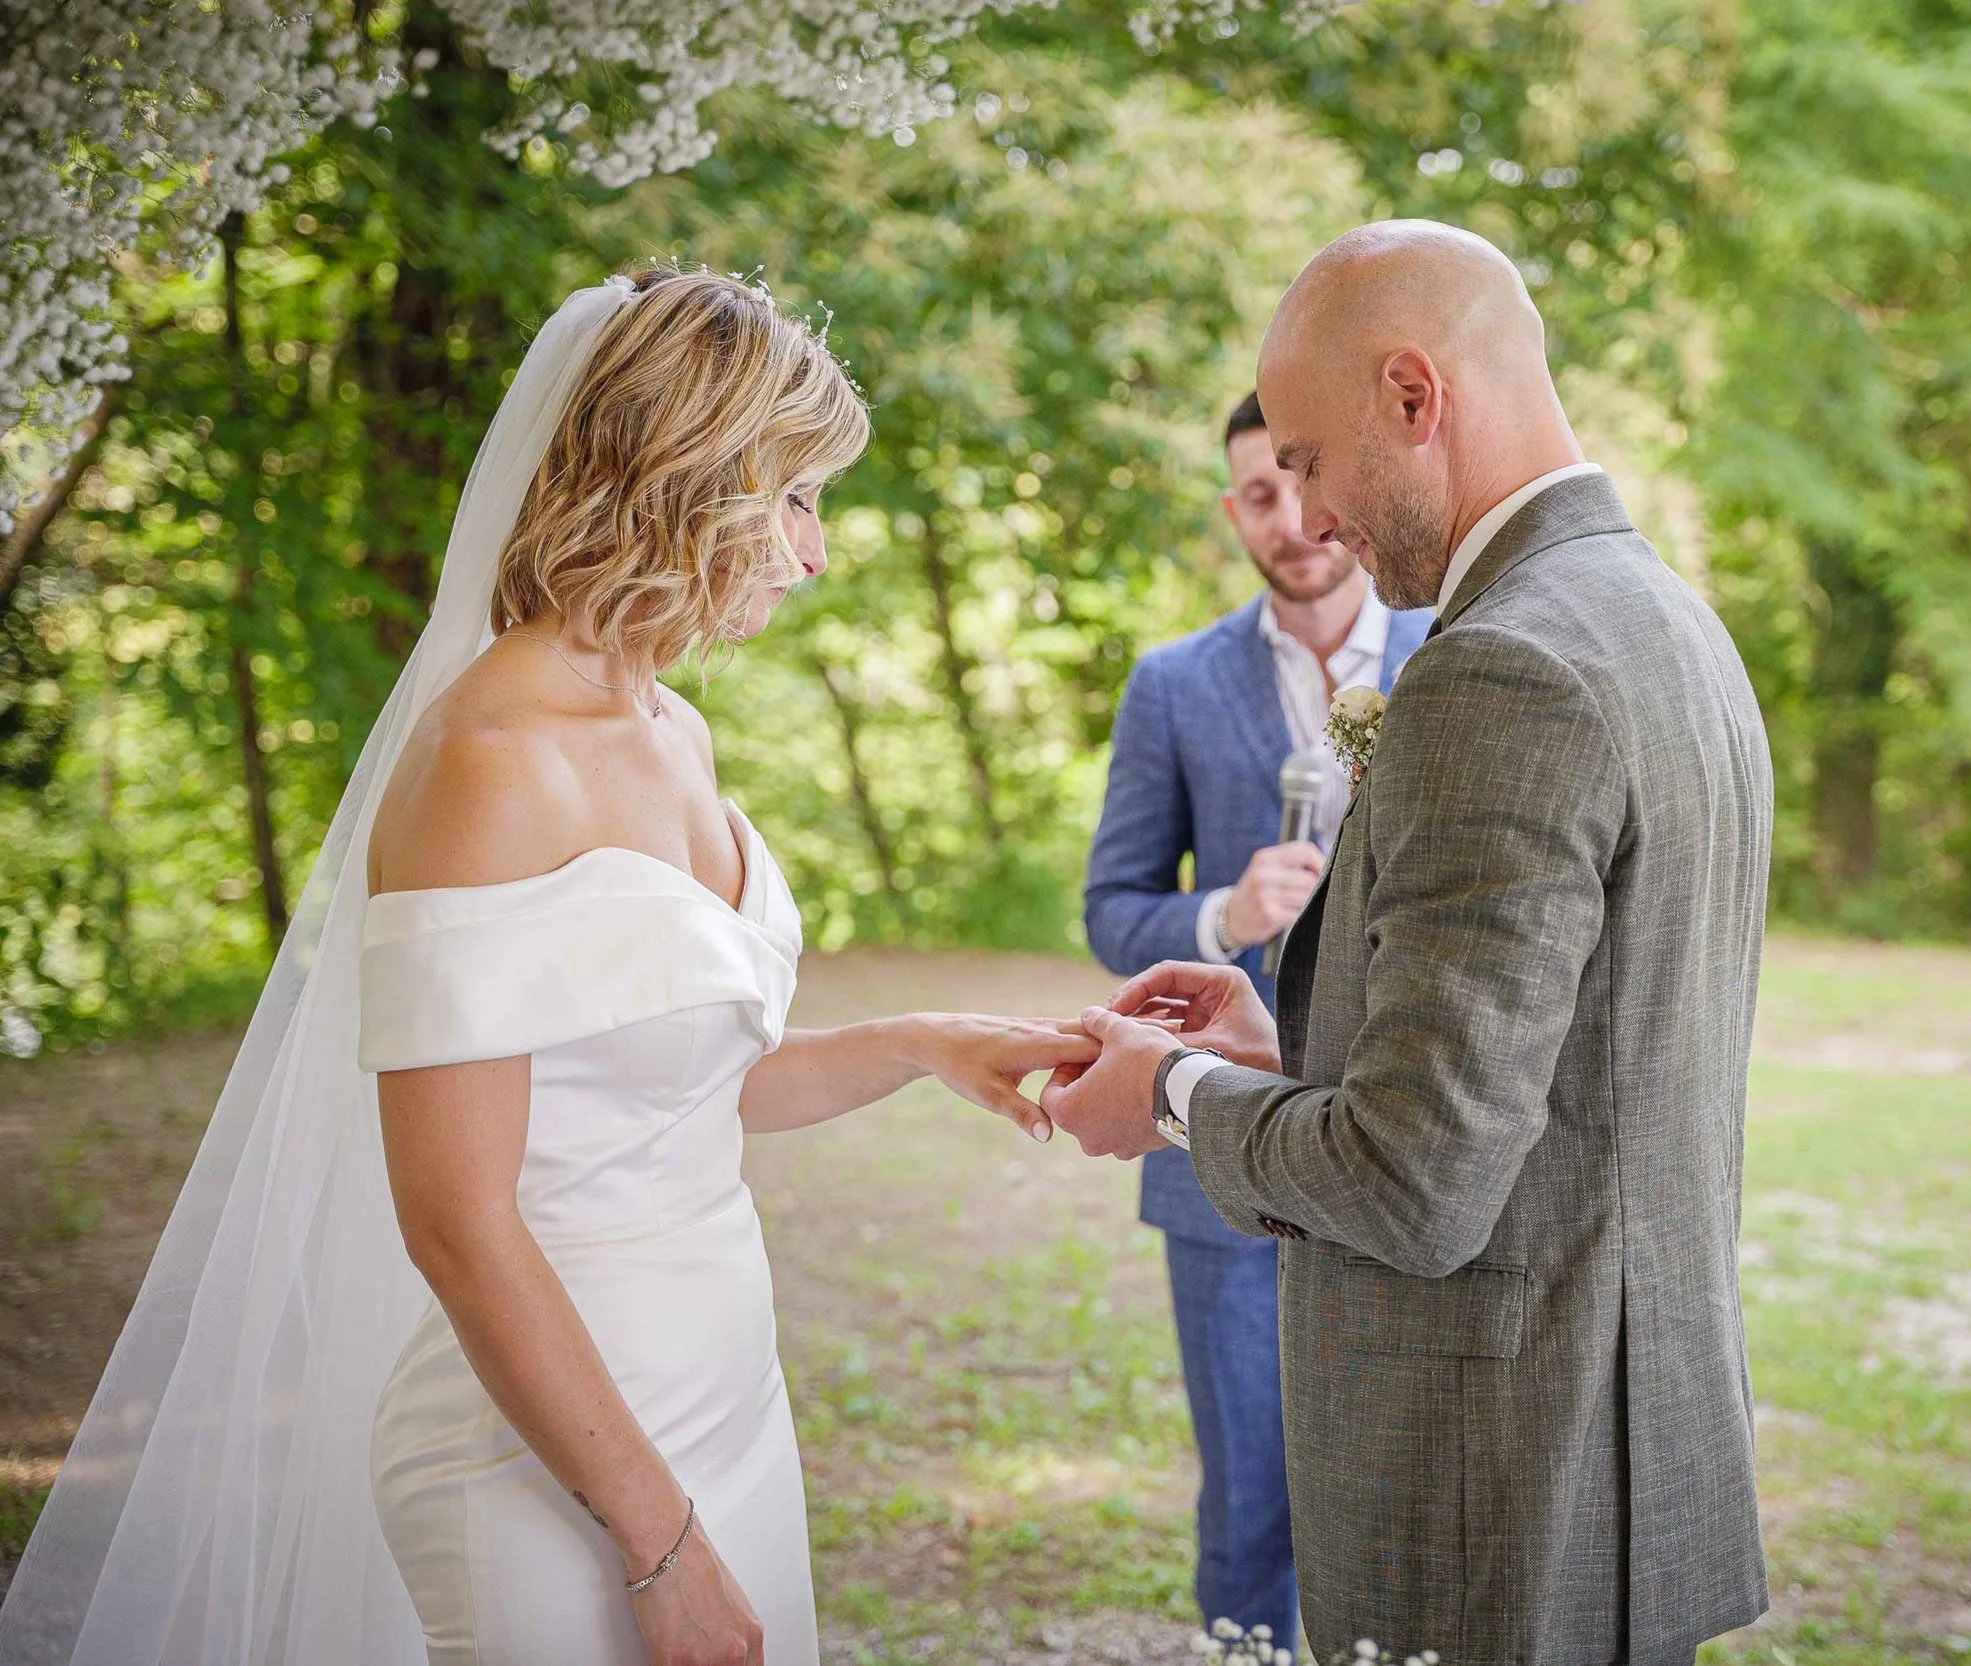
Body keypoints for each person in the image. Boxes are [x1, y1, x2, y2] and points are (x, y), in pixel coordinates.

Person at [0, 268, 1094, 1666]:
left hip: (722, 1387)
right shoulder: (487, 766)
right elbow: (457, 1217)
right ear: (686, 481)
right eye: (797, 498)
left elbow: (691, 1085)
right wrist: (662, 1542)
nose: (817, 551)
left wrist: (930, 1040)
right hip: (544, 1463)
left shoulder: (670, 727)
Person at [1044, 221, 1776, 1666]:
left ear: (1413, 395)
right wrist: (1292, 1048)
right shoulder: (1666, 621)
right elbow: (1572, 1063)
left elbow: (1416, 1179)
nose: (1304, 515)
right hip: (1617, 1443)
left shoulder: (1500, 664)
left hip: (1488, 1475)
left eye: (1307, 458)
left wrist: (1176, 1095)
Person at [1082, 391, 1431, 1646]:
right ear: (1234, 511)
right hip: (1223, 1153)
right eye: (1257, 497)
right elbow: (1111, 906)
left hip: (1411, 1131)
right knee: (1251, 1494)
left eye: (1299, 484)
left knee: (1409, 1489)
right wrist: (1220, 916)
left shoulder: (1455, 649)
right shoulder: (1173, 684)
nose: (1291, 522)